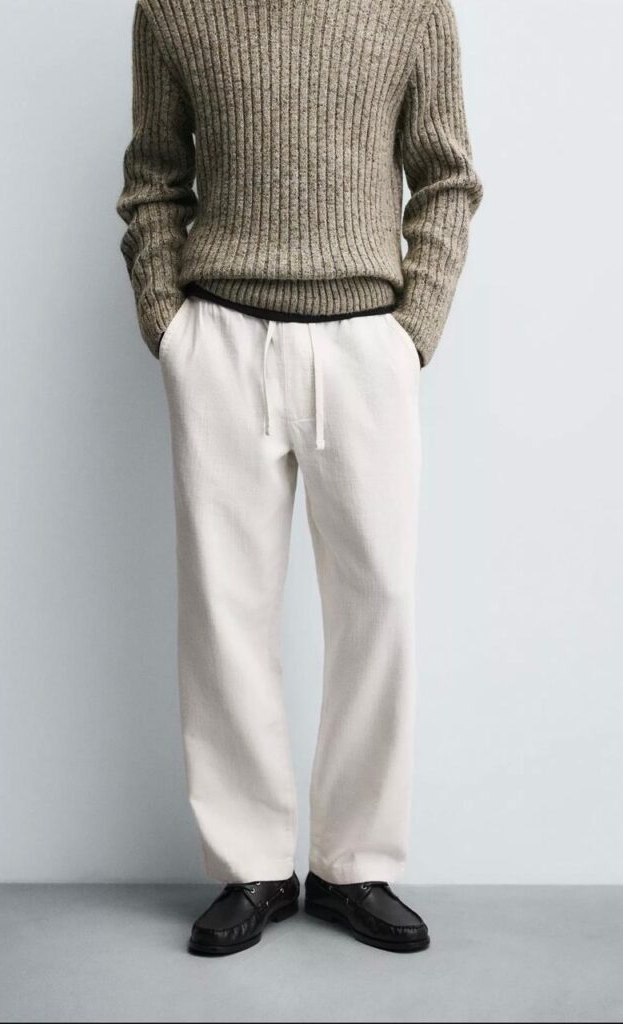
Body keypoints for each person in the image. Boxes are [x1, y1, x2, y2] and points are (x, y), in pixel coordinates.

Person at [116, 0, 482, 957]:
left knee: (379, 606)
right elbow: (153, 178)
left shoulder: (411, 7)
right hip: (220, 337)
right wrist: (168, 323)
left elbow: (446, 177)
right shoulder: (171, 8)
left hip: (365, 343)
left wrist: (412, 331)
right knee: (223, 611)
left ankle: (353, 866)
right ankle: (253, 868)